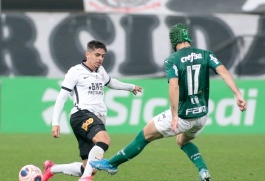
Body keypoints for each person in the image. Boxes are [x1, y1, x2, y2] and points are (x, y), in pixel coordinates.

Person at [90, 23, 247, 181]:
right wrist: (238, 94)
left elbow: (174, 85)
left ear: (174, 41)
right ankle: (203, 170)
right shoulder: (206, 54)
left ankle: (112, 164)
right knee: (182, 141)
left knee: (143, 136)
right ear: (187, 38)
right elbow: (224, 72)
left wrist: (174, 115)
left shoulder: (172, 60)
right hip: (201, 115)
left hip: (183, 116)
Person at [42, 40, 142, 181]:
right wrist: (55, 123)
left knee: (89, 167)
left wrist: (131, 87)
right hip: (82, 115)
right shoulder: (75, 71)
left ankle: (51, 169)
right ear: (87, 54)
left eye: (103, 56)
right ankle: (85, 178)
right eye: (97, 55)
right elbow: (61, 97)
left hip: (94, 119)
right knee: (104, 140)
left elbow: (111, 82)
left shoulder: (100, 71)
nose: (100, 59)